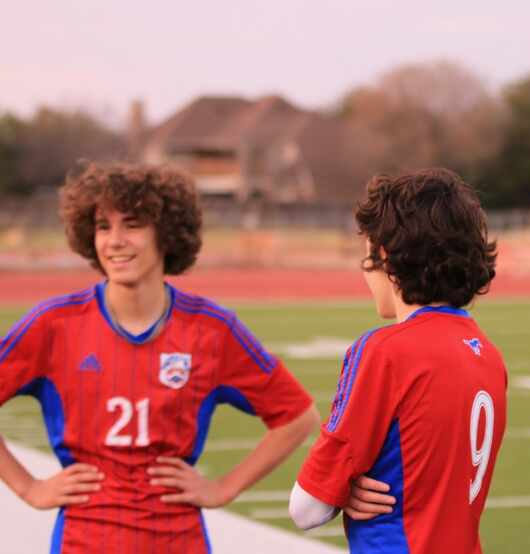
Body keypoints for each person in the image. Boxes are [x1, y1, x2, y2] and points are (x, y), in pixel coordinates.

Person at [0, 162, 319, 553]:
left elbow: (297, 416)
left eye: (132, 224)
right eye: (103, 226)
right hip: (83, 540)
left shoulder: (213, 330)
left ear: (166, 233)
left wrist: (222, 488)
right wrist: (28, 487)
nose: (114, 240)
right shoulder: (54, 324)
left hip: (177, 540)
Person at [288, 168, 507, 553]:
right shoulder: (488, 353)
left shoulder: (384, 351)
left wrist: (340, 489)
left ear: (384, 255)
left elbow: (306, 508)